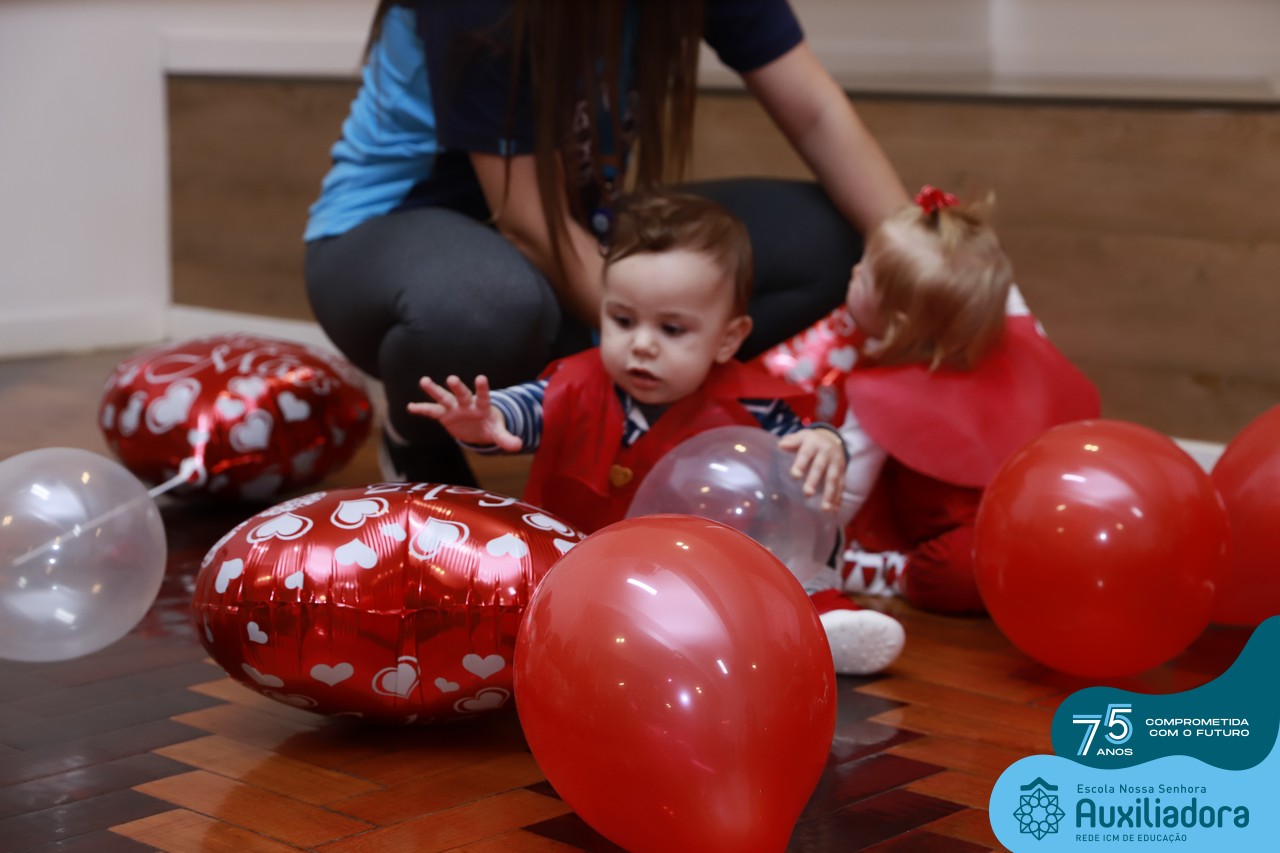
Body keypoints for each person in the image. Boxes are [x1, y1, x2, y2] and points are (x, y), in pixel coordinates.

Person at [304, 0, 908, 487]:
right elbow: (526, 222)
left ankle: (665, 415)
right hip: (395, 239)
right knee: (487, 305)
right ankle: (415, 439)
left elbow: (816, 112)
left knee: (832, 239)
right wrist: (658, 343)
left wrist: (920, 263)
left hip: (572, 230)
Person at [410, 191, 905, 675]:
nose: (642, 345)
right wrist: (486, 422)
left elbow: (801, 450)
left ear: (727, 339)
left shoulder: (753, 404)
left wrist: (825, 441)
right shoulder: (578, 385)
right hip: (579, 570)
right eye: (623, 320)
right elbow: (524, 409)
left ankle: (822, 624)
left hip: (701, 575)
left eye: (671, 329)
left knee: (777, 574)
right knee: (507, 578)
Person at [801, 186, 1102, 615]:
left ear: (899, 321)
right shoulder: (888, 393)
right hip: (957, 533)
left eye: (864, 274)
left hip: (1035, 508)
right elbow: (847, 491)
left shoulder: (1013, 339)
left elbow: (844, 494)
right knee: (963, 570)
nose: (853, 270)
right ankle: (891, 572)